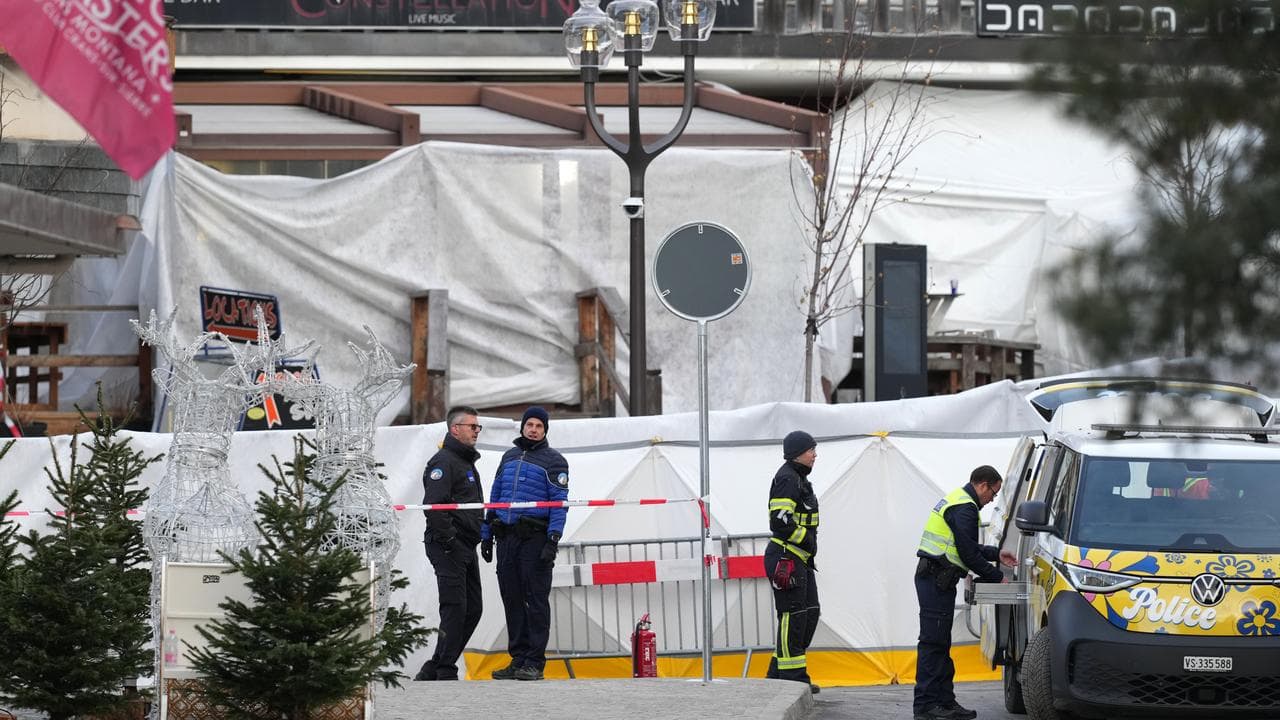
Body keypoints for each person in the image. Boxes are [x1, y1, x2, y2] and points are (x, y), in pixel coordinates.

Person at [913, 465, 1017, 720]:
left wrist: (996, 554)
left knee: (940, 644)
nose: (991, 499)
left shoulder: (959, 501)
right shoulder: (965, 507)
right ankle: (926, 706)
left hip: (938, 580)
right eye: (993, 493)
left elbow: (965, 545)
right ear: (983, 485)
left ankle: (945, 702)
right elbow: (968, 554)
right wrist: (997, 578)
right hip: (936, 580)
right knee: (932, 644)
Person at [481, 406, 569, 682]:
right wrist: (486, 533)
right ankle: (518, 659)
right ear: (522, 427)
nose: (533, 429)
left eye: (538, 426)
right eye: (529, 424)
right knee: (512, 598)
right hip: (506, 538)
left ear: (545, 430)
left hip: (534, 538)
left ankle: (534, 661)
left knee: (535, 599)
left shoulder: (555, 461)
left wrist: (553, 539)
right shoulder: (508, 457)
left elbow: (559, 504)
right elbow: (495, 495)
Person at [414, 405, 486, 681]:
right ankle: (445, 669)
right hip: (448, 545)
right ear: (455, 429)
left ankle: (435, 665)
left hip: (466, 545)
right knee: (455, 607)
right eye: (472, 426)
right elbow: (433, 506)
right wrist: (451, 539)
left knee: (474, 608)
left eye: (478, 427)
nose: (476, 431)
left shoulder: (465, 461)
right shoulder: (444, 461)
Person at [763, 430, 821, 694]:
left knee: (809, 613)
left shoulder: (798, 478)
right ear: (799, 452)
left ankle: (778, 672)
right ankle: (792, 679)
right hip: (787, 557)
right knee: (793, 615)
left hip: (799, 559)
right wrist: (805, 541)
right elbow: (780, 520)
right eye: (811, 450)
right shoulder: (787, 478)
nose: (815, 455)